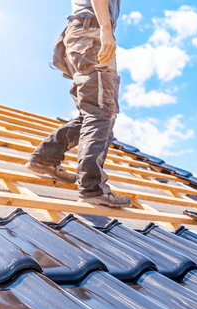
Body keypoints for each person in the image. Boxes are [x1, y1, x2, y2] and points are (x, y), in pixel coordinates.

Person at [27, 0, 130, 208]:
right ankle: (92, 188)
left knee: (92, 113)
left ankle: (46, 157)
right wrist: (105, 29)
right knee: (101, 112)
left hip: (81, 36)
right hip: (91, 33)